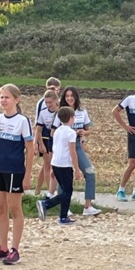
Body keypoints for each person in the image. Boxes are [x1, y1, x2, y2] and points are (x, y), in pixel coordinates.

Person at [0, 84, 34, 265]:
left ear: (16, 100)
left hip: (14, 170)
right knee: (1, 208)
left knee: (14, 208)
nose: (3, 100)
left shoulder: (22, 121)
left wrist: (27, 175)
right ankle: (2, 247)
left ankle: (15, 249)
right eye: (1, 97)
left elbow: (30, 149)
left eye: (7, 97)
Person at [53, 86, 101, 216]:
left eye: (71, 96)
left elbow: (88, 130)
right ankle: (65, 207)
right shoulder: (60, 112)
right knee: (64, 177)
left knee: (90, 173)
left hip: (77, 146)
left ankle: (88, 206)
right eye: (67, 96)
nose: (69, 98)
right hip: (64, 148)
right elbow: (53, 131)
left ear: (75, 97)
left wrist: (83, 132)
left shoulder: (82, 112)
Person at [36, 107, 83, 225]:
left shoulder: (57, 131)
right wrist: (77, 169)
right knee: (67, 192)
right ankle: (46, 204)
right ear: (71, 118)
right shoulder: (71, 133)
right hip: (65, 165)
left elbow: (55, 147)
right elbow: (73, 151)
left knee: (65, 190)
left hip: (55, 162)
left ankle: (63, 216)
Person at [34, 77, 61, 197]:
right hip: (45, 136)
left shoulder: (60, 106)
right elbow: (38, 125)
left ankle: (38, 189)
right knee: (47, 164)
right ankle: (50, 192)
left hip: (56, 137)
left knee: (47, 164)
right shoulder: (42, 104)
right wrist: (37, 142)